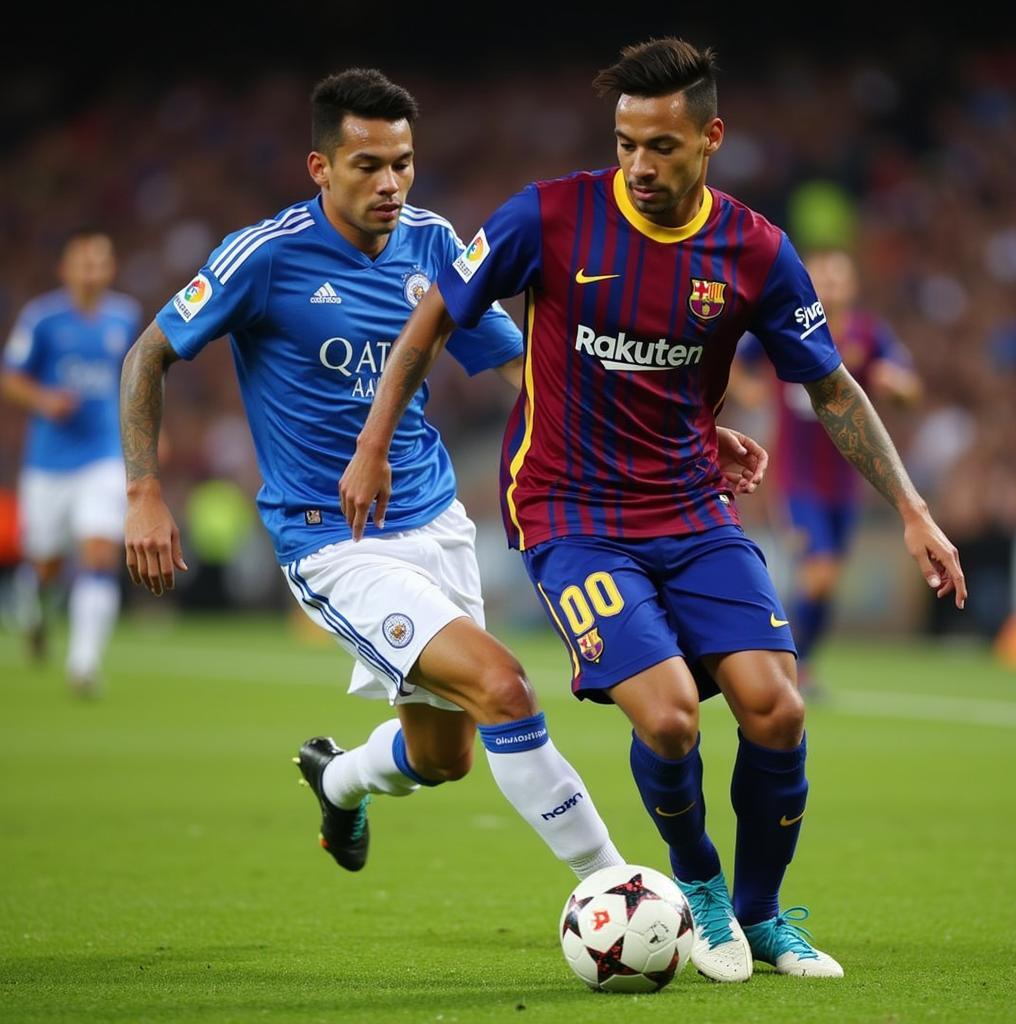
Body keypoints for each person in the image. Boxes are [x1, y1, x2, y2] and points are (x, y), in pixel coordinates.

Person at [341, 39, 966, 982]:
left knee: (778, 708)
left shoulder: (755, 250)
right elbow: (434, 318)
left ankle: (760, 915)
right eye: (627, 142)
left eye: (663, 146)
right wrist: (373, 443)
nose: (640, 163)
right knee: (671, 719)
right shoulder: (549, 215)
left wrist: (915, 510)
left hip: (691, 508)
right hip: (569, 512)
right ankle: (700, 888)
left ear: (711, 138)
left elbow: (833, 389)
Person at [120, 68, 672, 887]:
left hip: (436, 521)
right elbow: (148, 354)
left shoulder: (434, 243)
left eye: (403, 164)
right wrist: (144, 491)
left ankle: (337, 779)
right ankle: (624, 890)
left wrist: (658, 440)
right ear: (321, 169)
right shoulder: (265, 257)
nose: (390, 183)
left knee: (442, 756)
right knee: (505, 687)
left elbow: (520, 369)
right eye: (368, 165)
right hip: (334, 542)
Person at [731, 248, 922, 694]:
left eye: (839, 279)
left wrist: (899, 388)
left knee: (828, 578)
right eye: (823, 278)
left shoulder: (870, 336)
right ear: (809, 283)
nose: (830, 287)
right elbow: (739, 361)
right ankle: (791, 665)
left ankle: (804, 663)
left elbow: (910, 386)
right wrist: (749, 390)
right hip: (796, 480)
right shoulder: (785, 324)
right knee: (818, 572)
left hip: (845, 482)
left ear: (852, 286)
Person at [1, 229, 140, 695]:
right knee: (45, 566)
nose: (92, 271)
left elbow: (137, 382)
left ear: (111, 268)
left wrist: (150, 435)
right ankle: (35, 613)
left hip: (103, 456)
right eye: (84, 262)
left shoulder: (125, 316)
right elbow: (10, 377)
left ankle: (83, 665)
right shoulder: (42, 319)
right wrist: (44, 399)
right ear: (66, 269)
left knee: (100, 551)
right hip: (48, 464)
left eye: (100, 262)